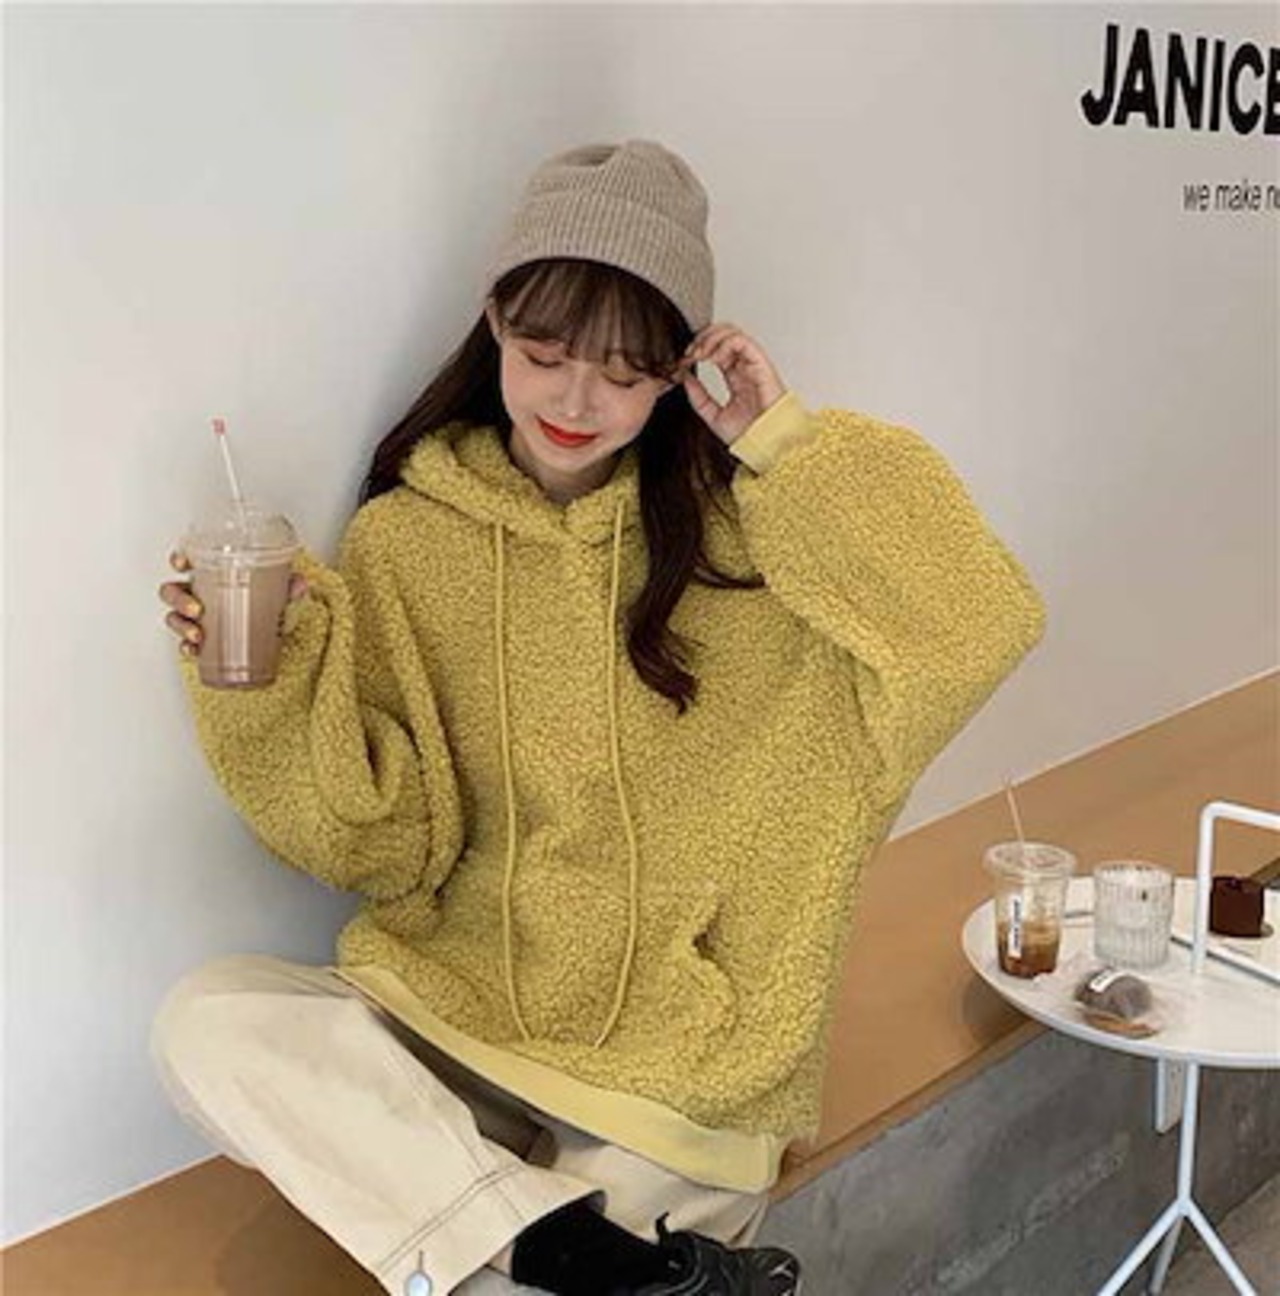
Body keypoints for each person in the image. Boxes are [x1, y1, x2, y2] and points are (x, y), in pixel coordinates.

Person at [153, 140, 1046, 1296]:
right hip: (456, 1016)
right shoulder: (408, 542)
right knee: (208, 1020)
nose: (575, 401)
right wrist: (270, 678)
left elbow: (977, 627)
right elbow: (379, 847)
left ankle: (537, 1249)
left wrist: (782, 442)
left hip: (678, 1073)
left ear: (677, 374)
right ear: (493, 325)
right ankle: (576, 1253)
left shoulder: (754, 549)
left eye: (625, 374)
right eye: (543, 356)